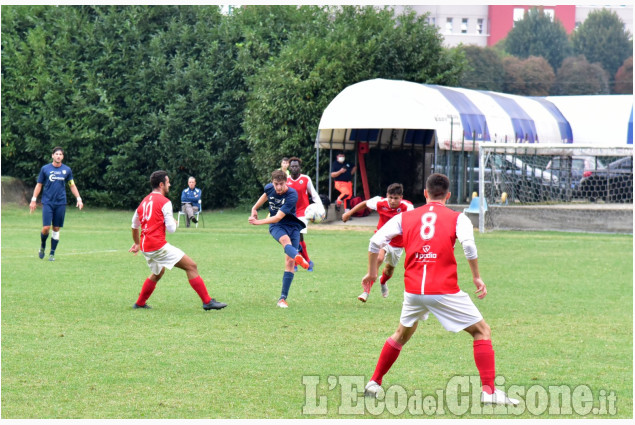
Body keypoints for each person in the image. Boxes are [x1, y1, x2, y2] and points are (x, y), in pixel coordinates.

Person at [363, 173, 519, 406]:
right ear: (448, 195)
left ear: (425, 194)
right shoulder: (459, 218)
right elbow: (468, 246)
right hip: (443, 289)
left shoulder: (405, 217)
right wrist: (476, 277)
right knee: (482, 331)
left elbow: (375, 241)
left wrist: (373, 274)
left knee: (401, 334)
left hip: (414, 290)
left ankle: (374, 382)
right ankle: (489, 391)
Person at [129, 170, 227, 311]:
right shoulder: (165, 202)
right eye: (168, 182)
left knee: (158, 272)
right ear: (161, 184)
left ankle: (139, 303)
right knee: (191, 266)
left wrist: (137, 243)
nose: (170, 184)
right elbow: (171, 229)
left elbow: (134, 225)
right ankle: (207, 302)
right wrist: (175, 222)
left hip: (146, 246)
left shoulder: (144, 201)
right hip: (158, 246)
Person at [342, 183, 414, 302]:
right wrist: (349, 213)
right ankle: (366, 291)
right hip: (382, 238)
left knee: (389, 270)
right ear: (387, 196)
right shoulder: (380, 202)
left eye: (396, 198)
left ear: (401, 197)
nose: (392, 201)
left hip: (397, 244)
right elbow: (365, 203)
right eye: (390, 197)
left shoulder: (408, 207)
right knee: (379, 259)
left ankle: (383, 281)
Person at [249, 169, 310, 308]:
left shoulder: (292, 194)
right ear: (272, 182)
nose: (278, 187)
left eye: (281, 184)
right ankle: (298, 257)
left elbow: (278, 216)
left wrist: (257, 222)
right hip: (276, 226)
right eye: (276, 184)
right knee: (285, 242)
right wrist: (254, 208)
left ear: (286, 182)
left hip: (292, 226)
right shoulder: (270, 188)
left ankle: (282, 298)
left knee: (289, 262)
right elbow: (265, 195)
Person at [29, 146, 84, 261]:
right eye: (56, 154)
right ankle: (43, 245)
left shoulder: (67, 170)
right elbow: (39, 185)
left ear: (62, 157)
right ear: (52, 156)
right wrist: (33, 199)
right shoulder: (45, 169)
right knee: (46, 227)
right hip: (48, 202)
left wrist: (78, 198)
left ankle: (52, 253)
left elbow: (72, 185)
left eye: (60, 154)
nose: (58, 156)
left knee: (56, 228)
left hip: (61, 202)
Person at [287, 156, 323, 272]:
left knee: (298, 235)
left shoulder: (305, 179)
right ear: (289, 167)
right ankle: (307, 260)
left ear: (299, 167)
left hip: (304, 212)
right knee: (294, 238)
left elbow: (314, 194)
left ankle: (298, 263)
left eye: (296, 166)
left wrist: (320, 207)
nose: (294, 168)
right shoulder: (286, 180)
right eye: (292, 166)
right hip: (291, 213)